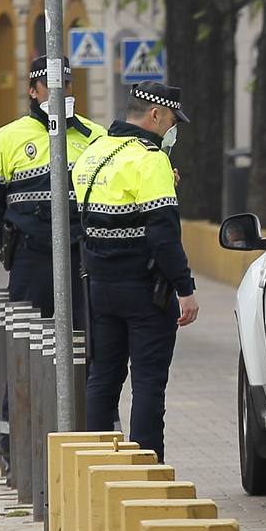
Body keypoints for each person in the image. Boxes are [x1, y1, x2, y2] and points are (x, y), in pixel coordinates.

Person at [72, 82, 199, 461]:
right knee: (147, 384)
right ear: (155, 115)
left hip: (99, 287)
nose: (172, 130)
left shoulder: (95, 153)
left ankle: (97, 466)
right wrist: (185, 288)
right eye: (172, 121)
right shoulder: (150, 159)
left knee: (103, 379)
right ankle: (147, 468)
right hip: (146, 291)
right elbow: (162, 235)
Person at [0, 56, 102, 317]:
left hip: (81, 254)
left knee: (87, 336)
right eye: (50, 85)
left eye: (65, 84)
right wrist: (13, 247)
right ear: (32, 90)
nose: (59, 91)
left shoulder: (96, 137)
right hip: (30, 256)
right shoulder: (4, 139)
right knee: (28, 338)